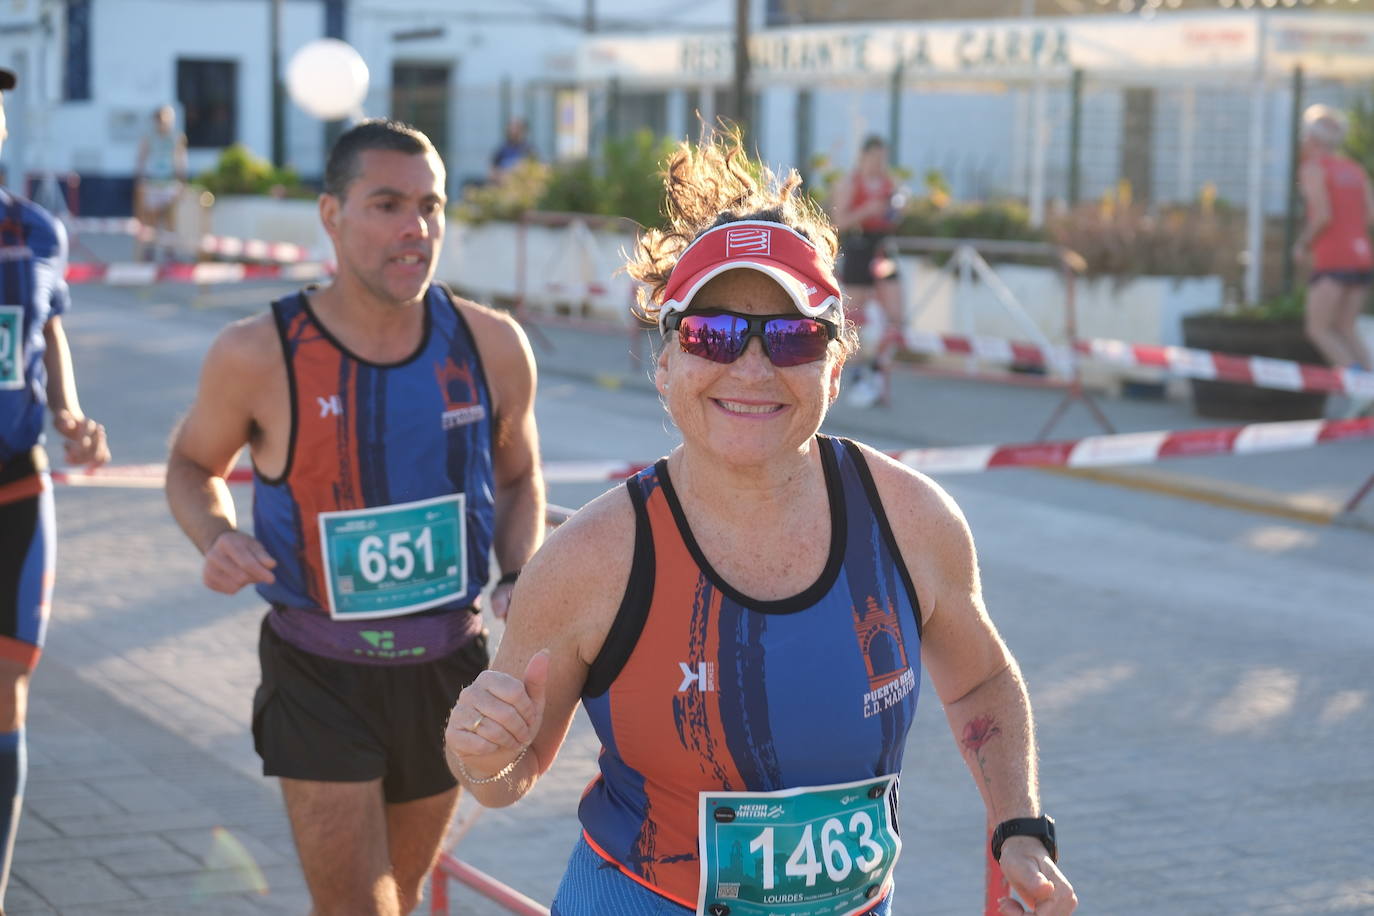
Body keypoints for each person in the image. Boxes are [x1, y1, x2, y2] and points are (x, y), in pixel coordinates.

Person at [444, 133, 1076, 916]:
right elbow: (509, 773)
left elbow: (979, 680)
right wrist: (477, 753)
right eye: (712, 333)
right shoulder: (592, 559)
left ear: (835, 367)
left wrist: (1020, 828)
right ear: (666, 362)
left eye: (792, 336)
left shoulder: (911, 521)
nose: (751, 367)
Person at [165, 118, 545, 916]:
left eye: (431, 206)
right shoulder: (257, 352)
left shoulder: (491, 345)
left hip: (448, 667)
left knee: (398, 900)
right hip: (319, 671)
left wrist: (519, 571)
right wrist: (217, 532)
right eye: (387, 204)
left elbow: (519, 479)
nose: (417, 228)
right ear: (331, 214)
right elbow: (191, 465)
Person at [0, 65, 111, 908]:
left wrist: (71, 413)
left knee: (9, 686)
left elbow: (49, 332)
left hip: (15, 493)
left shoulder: (36, 231)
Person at [1293, 103, 1374, 418]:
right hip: (1361, 253)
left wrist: (1302, 244)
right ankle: (1368, 385)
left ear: (1310, 137)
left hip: (1333, 256)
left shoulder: (1314, 168)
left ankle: (1359, 386)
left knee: (1318, 328)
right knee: (1345, 326)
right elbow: (1370, 215)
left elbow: (1322, 215)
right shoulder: (1354, 169)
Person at [830, 134, 905, 409]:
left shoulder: (889, 182)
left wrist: (895, 211)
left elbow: (897, 214)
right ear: (864, 157)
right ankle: (861, 376)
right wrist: (866, 210)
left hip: (882, 249)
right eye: (875, 158)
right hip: (859, 247)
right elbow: (841, 220)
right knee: (856, 316)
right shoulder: (851, 182)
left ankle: (876, 370)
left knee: (896, 314)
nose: (879, 163)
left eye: (883, 158)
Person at [133, 104, 188, 262]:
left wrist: (182, 181)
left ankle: (170, 251)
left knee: (170, 219)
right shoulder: (149, 136)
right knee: (151, 219)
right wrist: (139, 179)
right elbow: (142, 157)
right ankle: (149, 249)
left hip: (170, 181)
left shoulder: (177, 137)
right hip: (153, 182)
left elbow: (181, 160)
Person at [489, 118, 534, 182]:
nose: (513, 131)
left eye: (517, 129)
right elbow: (492, 170)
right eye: (511, 129)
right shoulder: (502, 149)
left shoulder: (528, 149)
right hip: (503, 183)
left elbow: (534, 169)